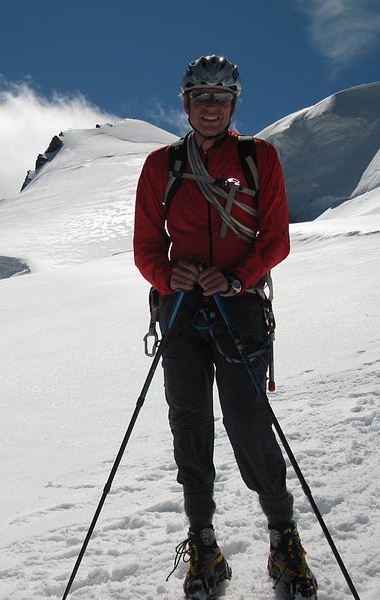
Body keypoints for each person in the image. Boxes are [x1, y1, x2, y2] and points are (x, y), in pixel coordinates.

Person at [133, 55, 318, 600]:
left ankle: (283, 536)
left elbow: (276, 238)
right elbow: (147, 244)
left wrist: (238, 278)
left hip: (238, 305)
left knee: (248, 421)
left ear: (233, 104)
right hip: (181, 307)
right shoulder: (161, 165)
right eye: (200, 97)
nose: (210, 107)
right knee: (189, 423)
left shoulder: (258, 157)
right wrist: (168, 275)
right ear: (186, 103)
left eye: (219, 98)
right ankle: (203, 540)